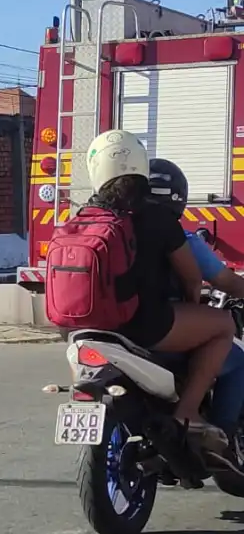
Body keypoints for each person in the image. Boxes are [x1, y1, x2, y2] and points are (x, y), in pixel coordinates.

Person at [86, 130, 235, 449]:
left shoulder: (87, 214)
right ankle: (188, 413)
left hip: (91, 325)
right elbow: (193, 278)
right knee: (224, 325)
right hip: (144, 324)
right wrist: (194, 305)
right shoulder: (156, 217)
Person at [146, 159, 244, 457]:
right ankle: (217, 436)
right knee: (236, 356)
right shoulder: (181, 239)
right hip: (159, 326)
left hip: (110, 326)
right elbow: (225, 282)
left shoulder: (123, 232)